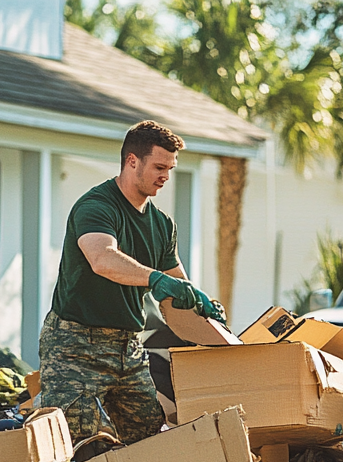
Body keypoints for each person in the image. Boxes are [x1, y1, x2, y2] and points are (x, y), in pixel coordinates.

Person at [39, 121, 224, 445]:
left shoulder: (162, 225)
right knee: (76, 443)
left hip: (128, 347)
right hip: (75, 346)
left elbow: (176, 284)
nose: (165, 176)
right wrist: (155, 278)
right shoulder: (96, 206)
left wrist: (200, 302)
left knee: (150, 439)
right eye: (159, 167)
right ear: (132, 161)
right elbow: (102, 258)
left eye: (170, 168)